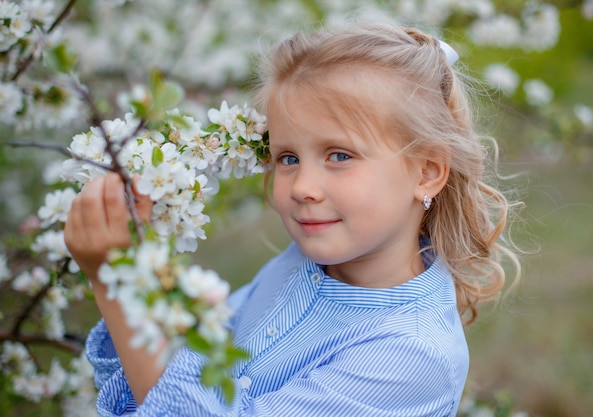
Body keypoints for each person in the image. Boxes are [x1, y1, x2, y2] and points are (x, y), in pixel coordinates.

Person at [65, 19, 521, 417]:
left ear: (426, 172)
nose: (303, 186)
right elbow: (197, 361)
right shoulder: (301, 264)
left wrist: (117, 283)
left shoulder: (410, 355)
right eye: (287, 158)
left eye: (339, 155)